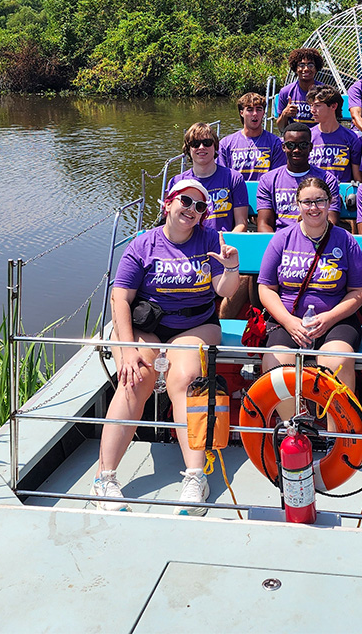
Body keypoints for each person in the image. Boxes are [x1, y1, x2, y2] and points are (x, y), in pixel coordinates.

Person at [92, 179, 240, 515]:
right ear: (167, 204)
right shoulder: (143, 245)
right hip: (148, 325)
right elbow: (121, 298)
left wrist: (230, 266)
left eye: (200, 207)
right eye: (186, 201)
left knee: (186, 380)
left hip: (196, 324)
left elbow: (224, 290)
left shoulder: (209, 240)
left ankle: (194, 477)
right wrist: (128, 349)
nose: (192, 210)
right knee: (135, 378)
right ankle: (105, 477)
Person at [258, 177, 362, 394]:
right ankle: (293, 426)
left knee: (336, 363)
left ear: (329, 203)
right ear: (297, 205)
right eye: (307, 202)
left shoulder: (346, 241)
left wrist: (329, 318)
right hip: (288, 321)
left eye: (319, 201)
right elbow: (266, 288)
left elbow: (358, 291)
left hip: (336, 321)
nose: (313, 207)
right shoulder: (282, 239)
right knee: (276, 364)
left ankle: (337, 427)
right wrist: (289, 321)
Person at [255, 122, 340, 231]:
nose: (296, 150)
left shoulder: (327, 180)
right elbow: (264, 224)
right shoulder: (268, 180)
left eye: (303, 145)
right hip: (281, 240)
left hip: (316, 238)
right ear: (284, 147)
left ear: (310, 147)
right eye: (291, 145)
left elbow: (332, 221)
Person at [166, 123, 249, 234]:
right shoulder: (176, 182)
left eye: (207, 143)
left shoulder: (234, 178)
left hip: (222, 243)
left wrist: (224, 245)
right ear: (188, 149)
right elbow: (169, 223)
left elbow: (241, 223)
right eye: (195, 144)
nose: (201, 147)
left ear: (215, 146)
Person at [218, 92, 285, 180]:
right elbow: (221, 176)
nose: (254, 114)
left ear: (263, 113)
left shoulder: (276, 143)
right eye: (249, 110)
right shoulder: (225, 144)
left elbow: (278, 177)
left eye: (259, 109)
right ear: (242, 113)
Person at [308, 85, 362, 182]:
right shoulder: (307, 136)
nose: (312, 110)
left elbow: (357, 179)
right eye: (311, 105)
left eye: (317, 105)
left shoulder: (353, 138)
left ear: (333, 106)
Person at [276, 48, 325, 131]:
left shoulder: (324, 91)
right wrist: (285, 114)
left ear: (316, 68)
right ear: (295, 69)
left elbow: (332, 123)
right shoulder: (286, 92)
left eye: (310, 65)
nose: (306, 69)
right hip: (295, 137)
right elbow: (281, 128)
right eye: (301, 65)